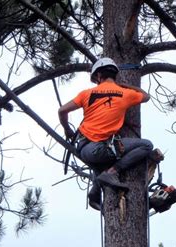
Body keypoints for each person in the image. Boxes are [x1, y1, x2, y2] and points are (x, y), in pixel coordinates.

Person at [58, 58, 153, 210]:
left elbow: (62, 110)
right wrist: (123, 86)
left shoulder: (86, 94)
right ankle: (113, 172)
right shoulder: (125, 94)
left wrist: (67, 130)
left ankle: (95, 193)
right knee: (147, 146)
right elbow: (146, 96)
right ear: (114, 74)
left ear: (99, 75)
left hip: (85, 148)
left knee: (106, 156)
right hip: (101, 148)